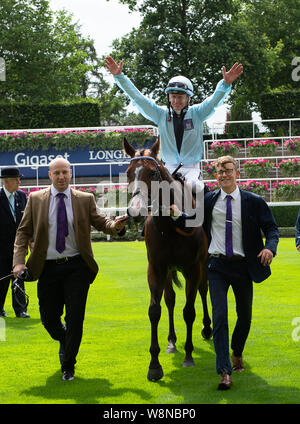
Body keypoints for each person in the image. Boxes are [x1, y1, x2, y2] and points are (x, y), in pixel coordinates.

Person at [13, 158, 127, 381]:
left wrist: (116, 226)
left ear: (71, 173)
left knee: (75, 317)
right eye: (57, 173)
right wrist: (19, 261)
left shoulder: (85, 199)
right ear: (49, 175)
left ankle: (68, 364)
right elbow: (23, 232)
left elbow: (103, 223)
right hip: (47, 268)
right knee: (48, 318)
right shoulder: (36, 199)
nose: (61, 176)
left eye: (65, 172)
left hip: (77, 267)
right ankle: (66, 340)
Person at [105, 56, 243, 199]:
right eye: (173, 96)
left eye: (180, 97)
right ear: (169, 97)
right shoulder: (160, 114)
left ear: (188, 98)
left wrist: (225, 85)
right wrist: (119, 77)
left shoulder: (198, 113)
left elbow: (214, 101)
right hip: (167, 168)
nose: (176, 101)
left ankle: (208, 219)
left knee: (195, 187)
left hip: (192, 169)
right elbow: (139, 98)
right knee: (153, 189)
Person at [203, 155, 279, 390]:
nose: (223, 174)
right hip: (217, 267)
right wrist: (174, 213)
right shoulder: (208, 201)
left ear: (237, 172)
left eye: (227, 170)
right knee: (219, 318)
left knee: (244, 317)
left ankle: (237, 352)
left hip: (244, 267)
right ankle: (225, 371)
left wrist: (269, 248)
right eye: (219, 171)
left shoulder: (253, 201)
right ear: (216, 175)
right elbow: (192, 222)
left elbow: (272, 229)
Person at [0, 166, 29, 318]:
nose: (19, 181)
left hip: (19, 247)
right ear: (6, 181)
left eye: (19, 178)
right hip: (2, 248)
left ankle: (21, 310)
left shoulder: (21, 196)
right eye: (16, 179)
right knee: (2, 279)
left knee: (19, 277)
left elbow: (26, 221)